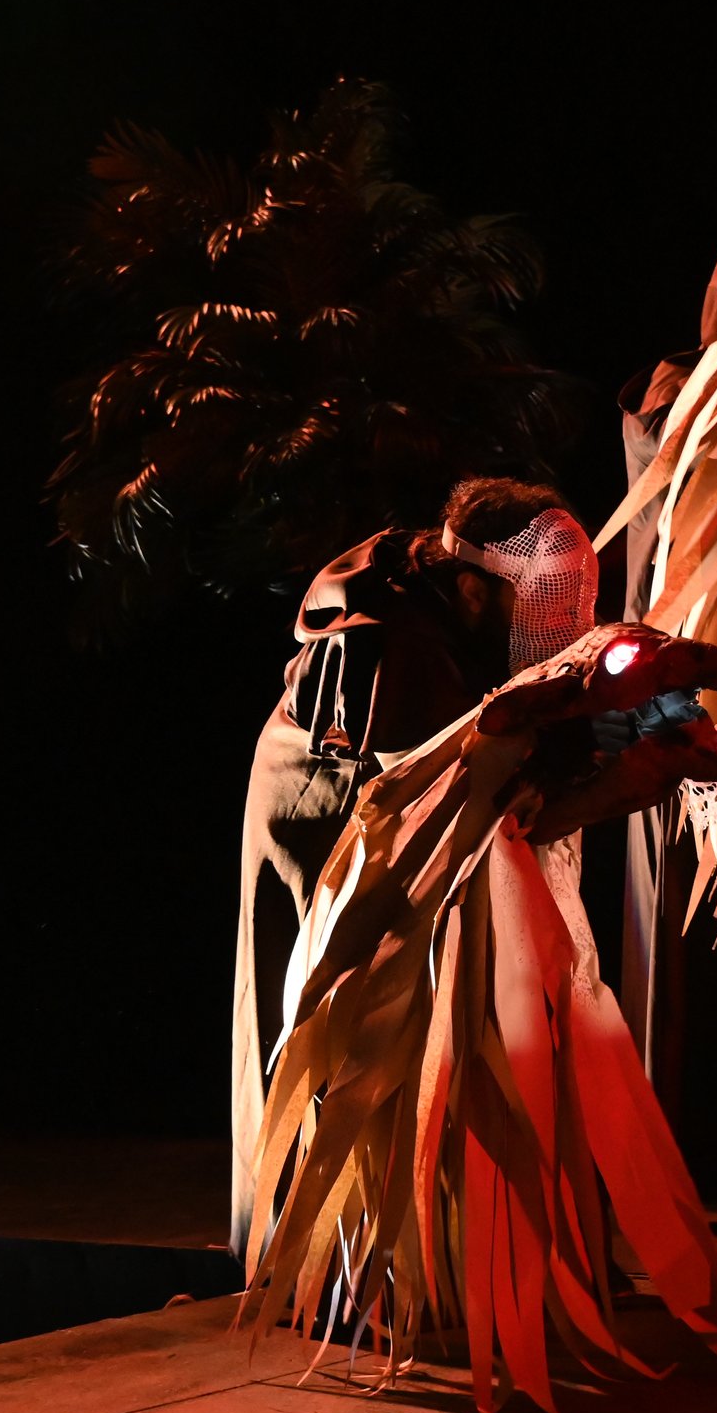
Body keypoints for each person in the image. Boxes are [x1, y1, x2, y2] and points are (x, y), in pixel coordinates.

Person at [231, 477, 597, 1254]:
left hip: (394, 795)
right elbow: (445, 792)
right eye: (535, 603)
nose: (552, 626)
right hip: (325, 812)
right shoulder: (406, 647)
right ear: (473, 587)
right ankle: (323, 1253)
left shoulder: (458, 618)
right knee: (339, 1016)